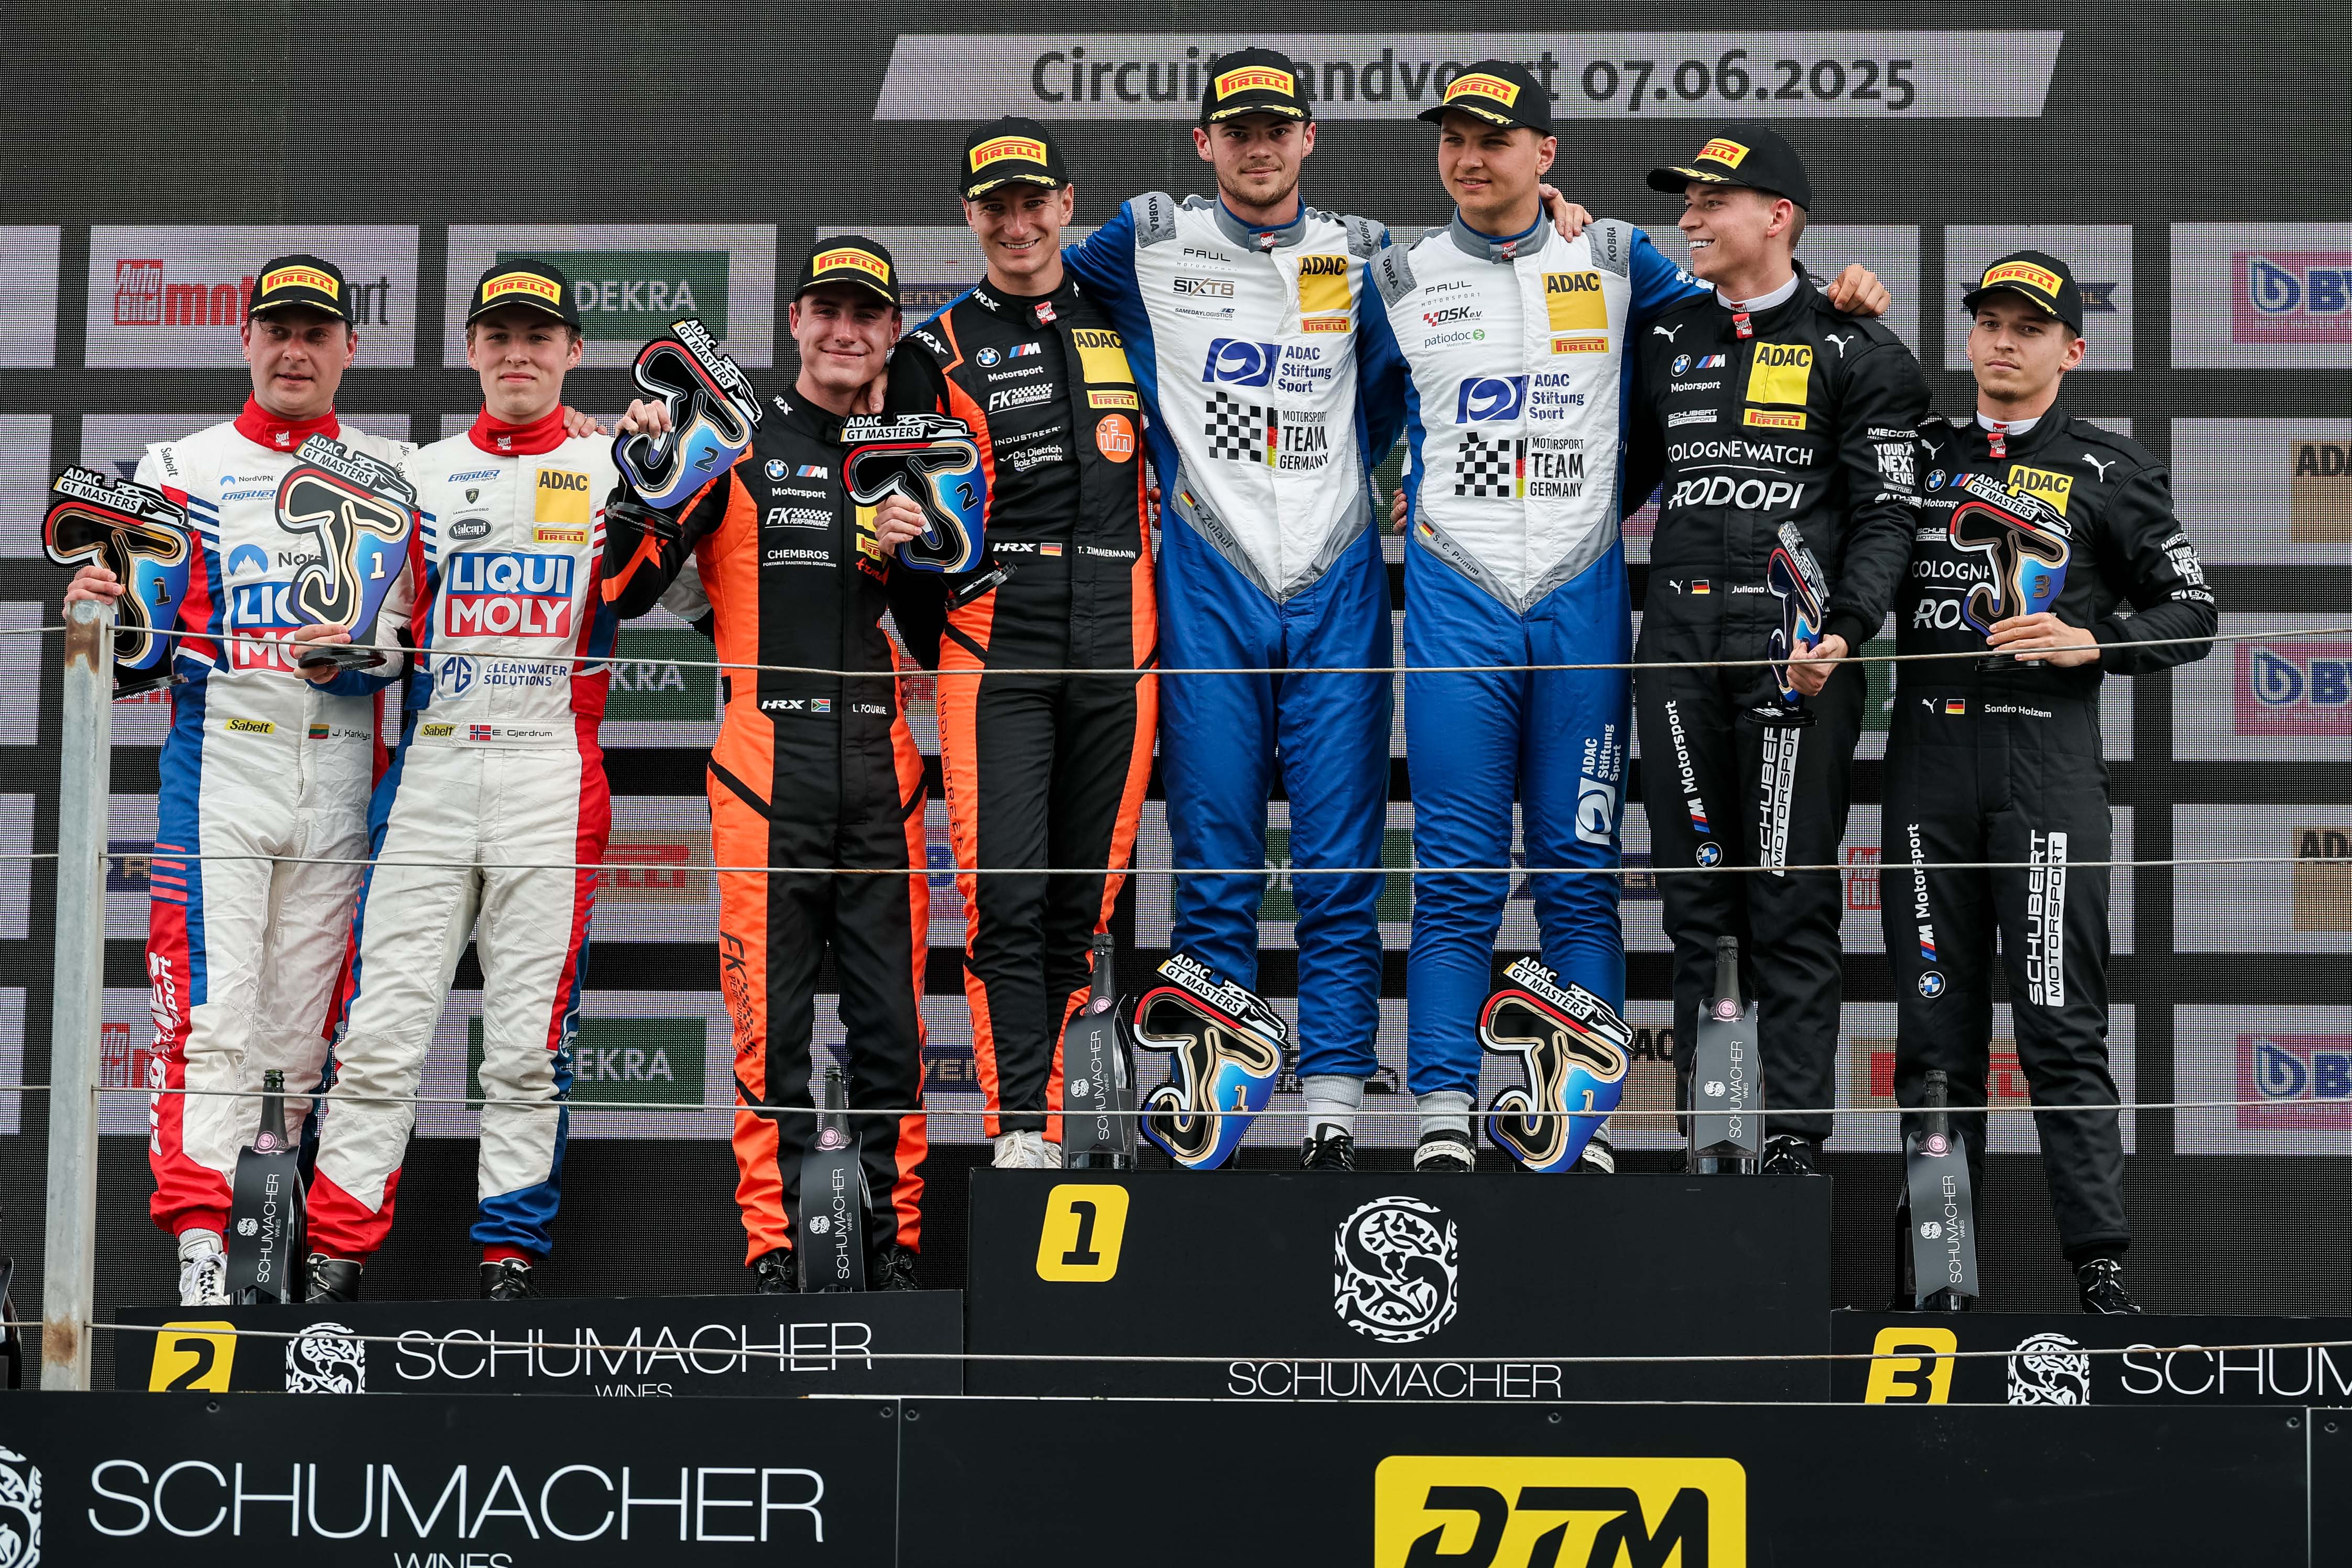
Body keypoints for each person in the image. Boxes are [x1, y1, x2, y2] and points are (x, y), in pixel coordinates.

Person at [1367, 72, 1890, 1173]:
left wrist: (1845, 293)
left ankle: (1584, 1123)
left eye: (1493, 140)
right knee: (1458, 872)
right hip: (1462, 597)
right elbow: (1345, 415)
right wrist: (1399, 482)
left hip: (1587, 606)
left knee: (1581, 869)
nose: (1470, 158)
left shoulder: (1619, 262)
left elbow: (1755, 299)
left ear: (1546, 153)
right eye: (1454, 140)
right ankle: (1443, 1113)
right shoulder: (1400, 276)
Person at [62, 255, 418, 1306]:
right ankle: (200, 1254)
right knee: (211, 1020)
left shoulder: (394, 469)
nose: (295, 351)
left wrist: (365, 658)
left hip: (343, 767)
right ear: (246, 339)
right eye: (278, 329)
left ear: (351, 346)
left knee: (302, 1035)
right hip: (224, 761)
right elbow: (138, 647)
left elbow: (415, 632)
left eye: (316, 332)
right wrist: (102, 603)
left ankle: (268, 1247)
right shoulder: (181, 466)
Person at [603, 239, 933, 1292]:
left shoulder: (915, 450)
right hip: (762, 770)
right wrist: (640, 478)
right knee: (768, 1026)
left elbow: (942, 634)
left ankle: (896, 1244)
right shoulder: (735, 442)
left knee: (894, 1028)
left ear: (892, 333)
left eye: (866, 315)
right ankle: (775, 1249)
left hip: (882, 772)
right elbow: (626, 591)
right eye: (827, 311)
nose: (845, 332)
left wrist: (918, 551)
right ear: (794, 321)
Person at [1889, 252, 2214, 1313]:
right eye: (1990, 322)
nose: (2004, 342)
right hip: (1929, 770)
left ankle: (2101, 1271)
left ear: (2072, 349)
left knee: (2060, 1024)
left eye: (2029, 328)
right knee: (1935, 1033)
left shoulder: (2110, 467)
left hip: (2046, 771)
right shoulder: (1917, 456)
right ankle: (1939, 1272)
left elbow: (2194, 611)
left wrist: (2096, 640)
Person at [299, 260, 620, 1302]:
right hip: (435, 762)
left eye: (539, 336)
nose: (518, 354)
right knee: (381, 1029)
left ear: (574, 350)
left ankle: (509, 1260)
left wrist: (667, 458)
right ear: (471, 348)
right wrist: (347, 656)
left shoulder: (617, 466)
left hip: (550, 767)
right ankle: (336, 1251)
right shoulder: (421, 474)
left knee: (527, 1041)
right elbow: (388, 632)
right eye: (500, 335)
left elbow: (691, 591)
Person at [1628, 124, 1932, 1173]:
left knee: (1791, 900)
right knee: (1697, 907)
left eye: (1712, 202)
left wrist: (1846, 631)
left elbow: (1888, 516)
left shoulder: (1863, 350)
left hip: (1796, 658)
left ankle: (1796, 1143)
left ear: (1779, 216)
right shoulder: (1663, 335)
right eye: (1686, 202)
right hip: (1678, 651)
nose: (1690, 219)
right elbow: (1611, 474)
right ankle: (1709, 1141)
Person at [886, 119, 1158, 1170]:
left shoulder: (1128, 314)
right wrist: (954, 626)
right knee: (1004, 893)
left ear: (1065, 204)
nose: (1017, 223)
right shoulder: (935, 351)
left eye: (1033, 202)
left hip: (1122, 629)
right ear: (970, 216)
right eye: (995, 206)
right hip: (998, 640)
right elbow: (911, 544)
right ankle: (1018, 1132)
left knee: (1084, 902)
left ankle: (1067, 1118)